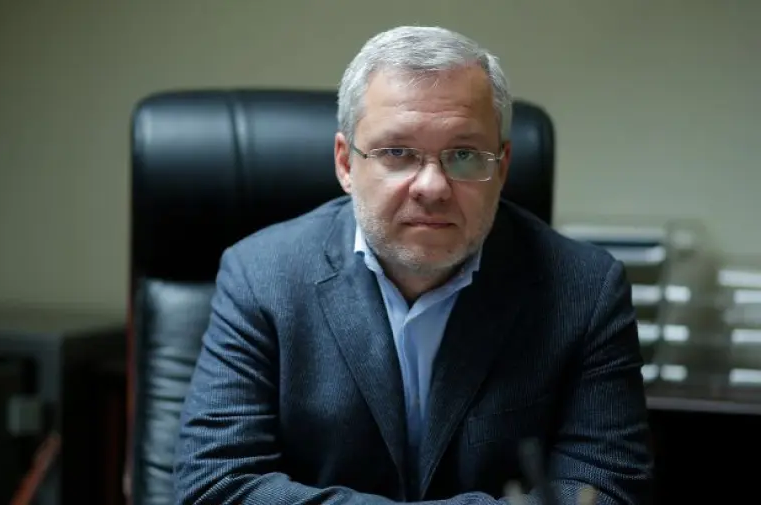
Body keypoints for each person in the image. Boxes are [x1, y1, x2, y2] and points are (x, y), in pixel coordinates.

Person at [173, 25, 653, 504]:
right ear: (345, 163)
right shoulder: (261, 276)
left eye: (463, 155)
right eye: (398, 153)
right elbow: (215, 485)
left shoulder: (584, 289)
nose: (432, 187)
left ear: (502, 167)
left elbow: (608, 490)